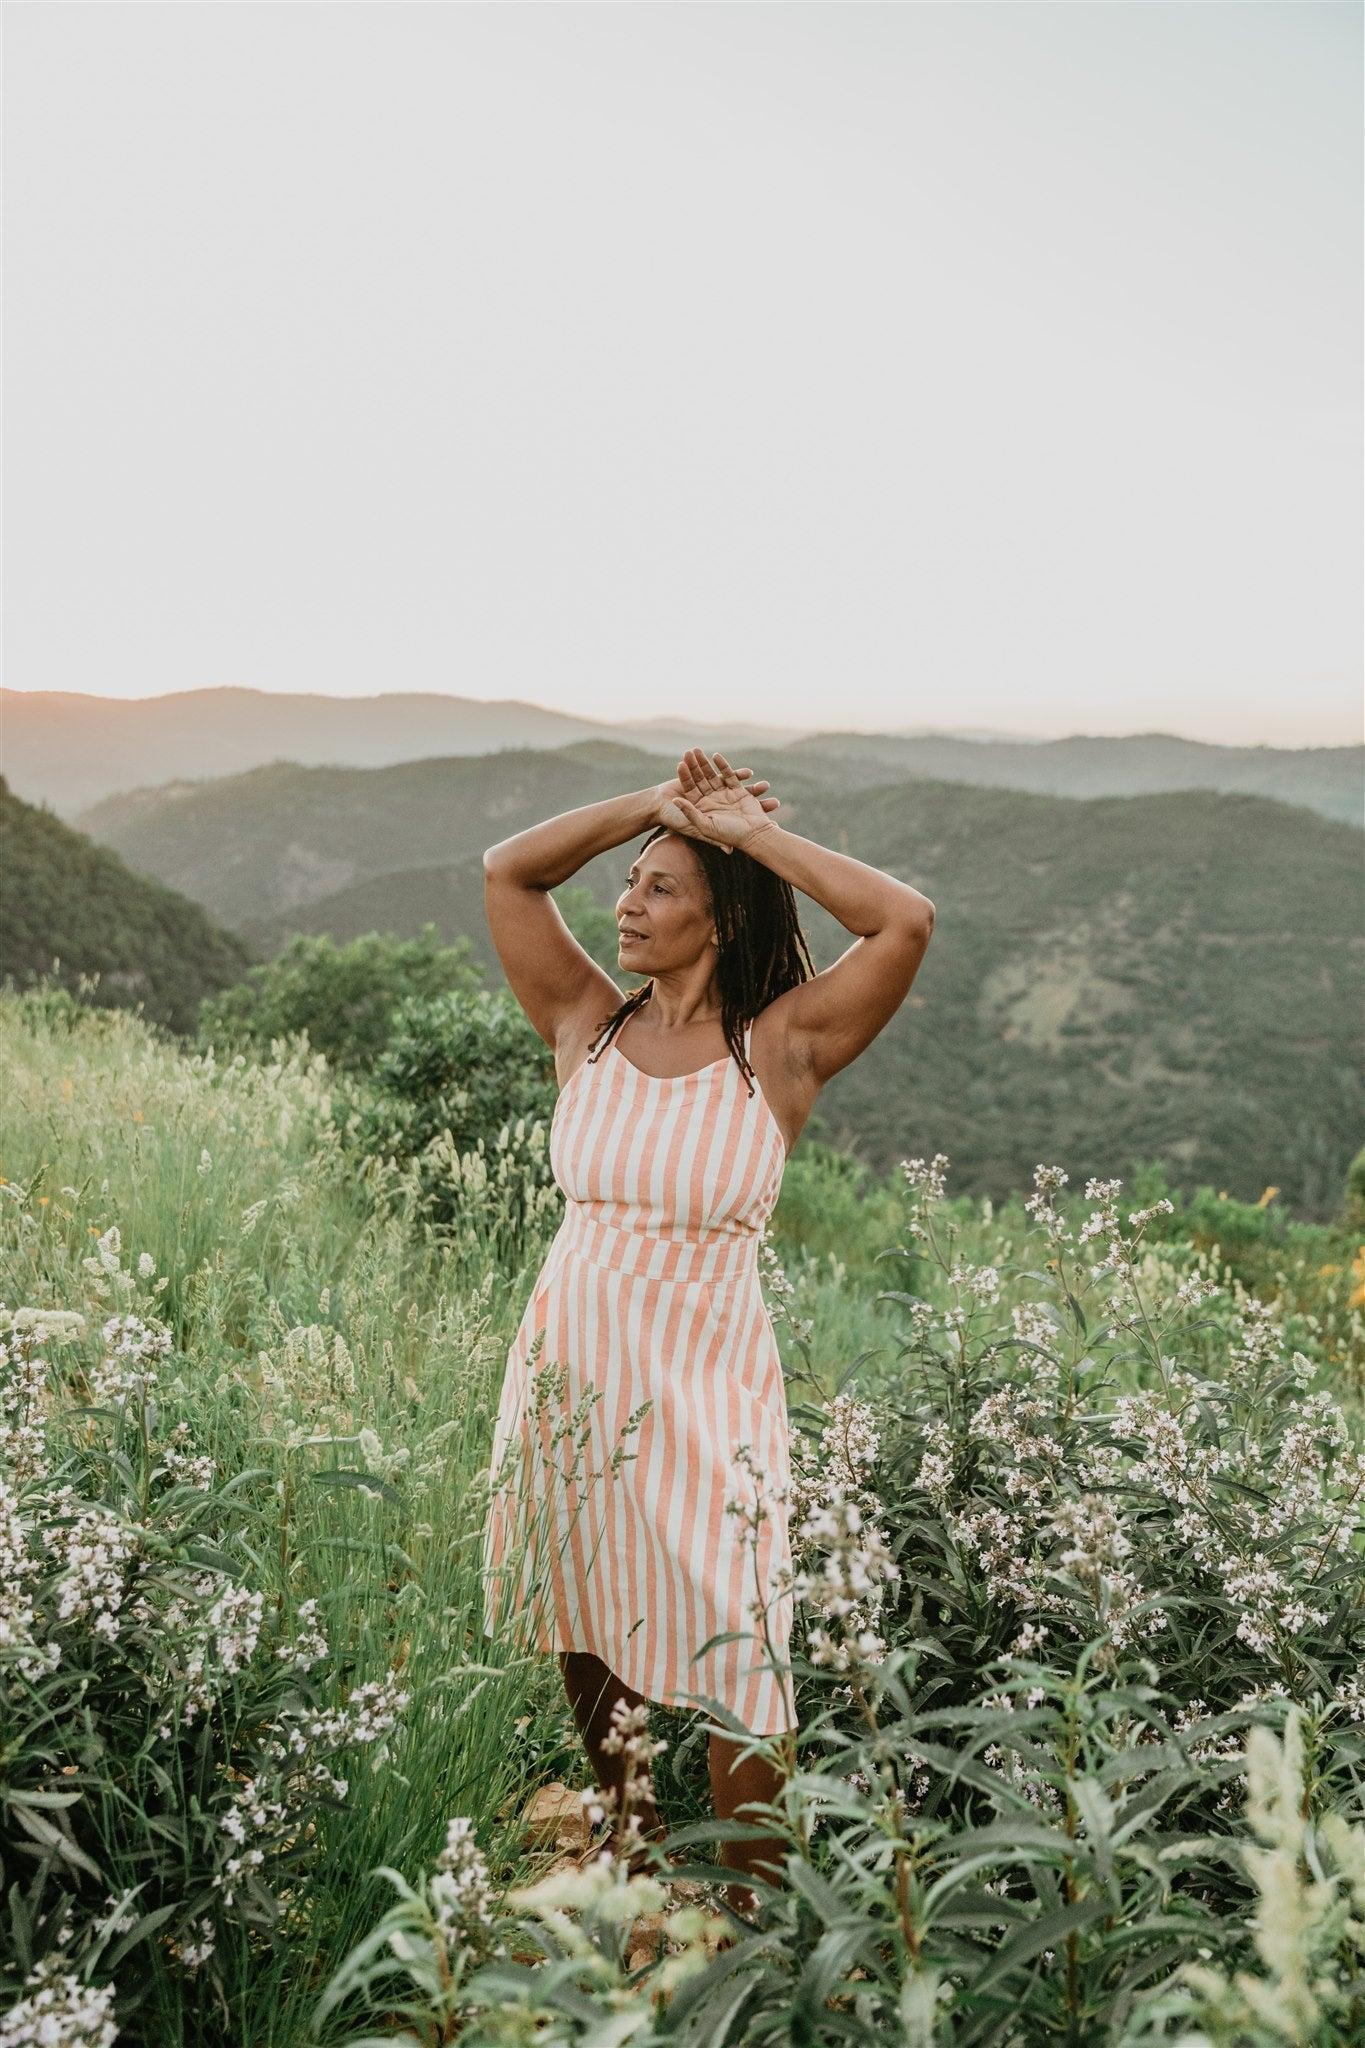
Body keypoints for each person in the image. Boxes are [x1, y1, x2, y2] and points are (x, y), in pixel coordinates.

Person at [479, 746, 934, 1915]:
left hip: (710, 1386)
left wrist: (748, 835)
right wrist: (654, 807)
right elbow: (508, 874)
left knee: (743, 1642)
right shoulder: (586, 1018)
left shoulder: (779, 1046)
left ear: (721, 916)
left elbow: (904, 921)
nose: (626, 901)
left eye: (660, 886)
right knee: (580, 1606)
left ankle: (751, 1925)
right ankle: (629, 1846)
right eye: (630, 882)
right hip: (571, 1368)